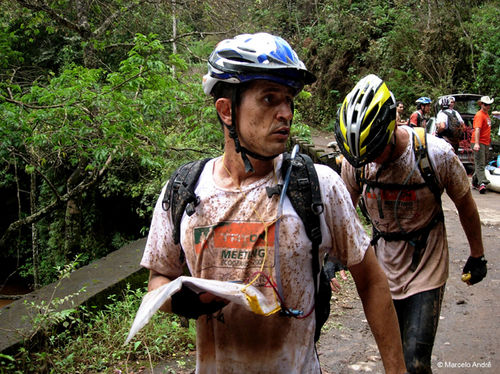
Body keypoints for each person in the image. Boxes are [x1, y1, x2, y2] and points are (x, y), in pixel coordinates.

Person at [140, 33, 407, 373]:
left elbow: (370, 280)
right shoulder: (185, 191)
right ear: (226, 110)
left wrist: (396, 370)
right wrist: (183, 302)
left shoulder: (319, 186)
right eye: (269, 99)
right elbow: (159, 278)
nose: (285, 113)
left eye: (288, 100)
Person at [334, 74, 487, 374]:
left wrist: (477, 254)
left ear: (391, 129)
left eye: (374, 152)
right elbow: (343, 213)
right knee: (395, 362)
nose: (371, 163)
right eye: (362, 157)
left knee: (415, 361)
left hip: (426, 266)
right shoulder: (358, 162)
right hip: (383, 267)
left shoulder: (436, 155)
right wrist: (333, 257)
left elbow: (465, 205)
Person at [472, 96, 494, 194]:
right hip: (479, 142)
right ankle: (482, 183)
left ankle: (474, 180)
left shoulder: (486, 115)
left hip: (485, 142)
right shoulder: (479, 115)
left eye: (488, 104)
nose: (487, 106)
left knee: (482, 162)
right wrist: (476, 143)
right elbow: (477, 129)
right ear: (481, 104)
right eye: (485, 104)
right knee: (480, 163)